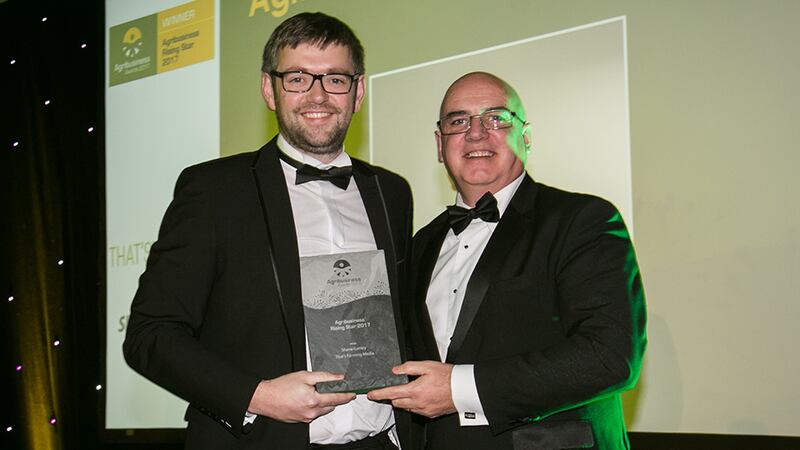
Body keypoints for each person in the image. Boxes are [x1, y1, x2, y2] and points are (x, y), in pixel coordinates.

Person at [123, 12, 416, 450]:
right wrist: (258, 396)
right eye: (297, 78)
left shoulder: (391, 192)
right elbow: (151, 335)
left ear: (358, 92)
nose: (318, 95)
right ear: (269, 88)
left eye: (335, 79)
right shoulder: (214, 190)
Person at [368, 72, 646, 449]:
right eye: (458, 121)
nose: (477, 133)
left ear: (526, 136)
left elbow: (610, 357)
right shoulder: (419, 245)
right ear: (440, 144)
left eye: (496, 118)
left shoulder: (582, 220)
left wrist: (459, 389)